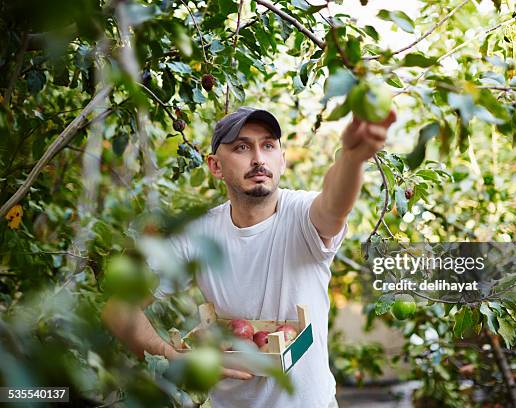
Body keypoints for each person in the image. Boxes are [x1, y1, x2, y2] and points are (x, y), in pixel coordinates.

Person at [102, 106, 396, 407]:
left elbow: (335, 206)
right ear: (215, 166)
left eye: (268, 145)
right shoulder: (198, 234)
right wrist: (175, 359)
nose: (258, 159)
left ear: (282, 159)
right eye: (242, 147)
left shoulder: (301, 215)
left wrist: (351, 158)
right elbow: (118, 310)